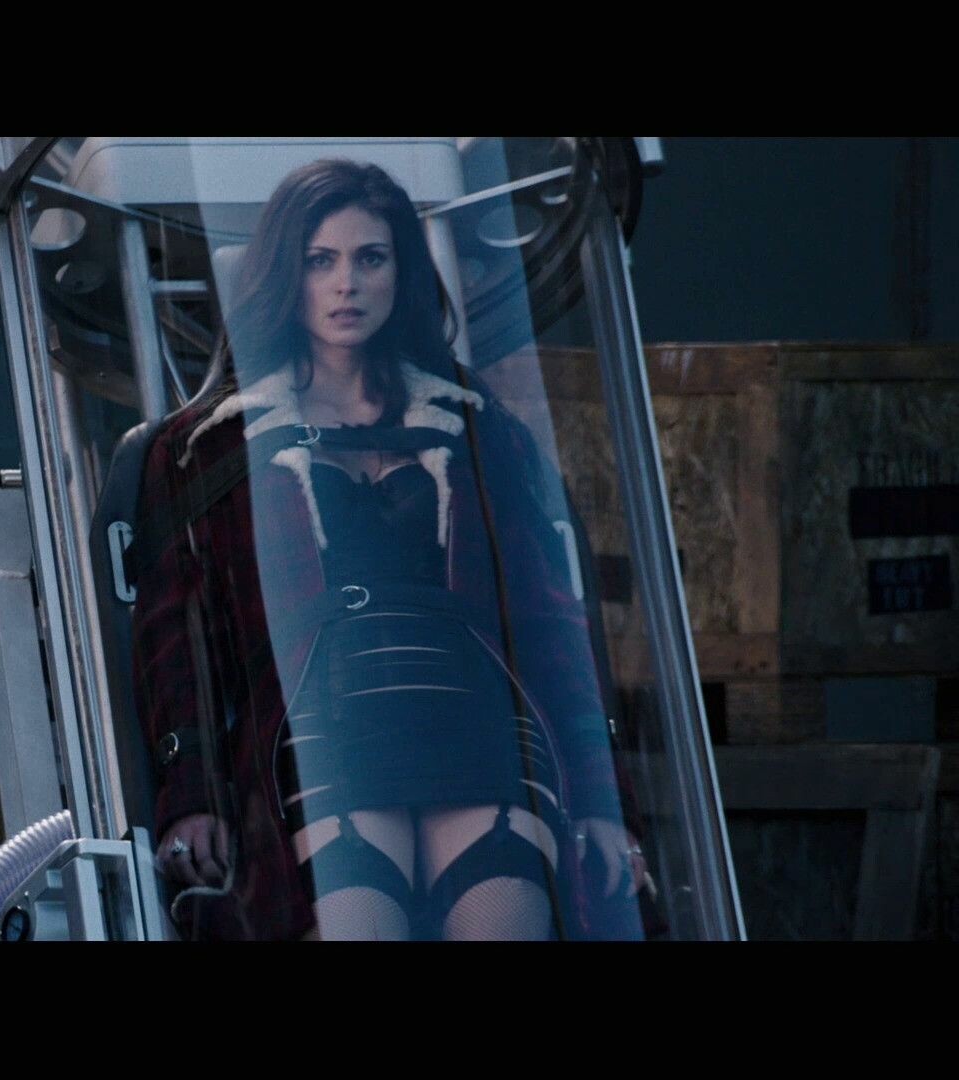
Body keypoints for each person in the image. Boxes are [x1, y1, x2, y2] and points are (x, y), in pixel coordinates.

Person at [129, 160, 648, 941]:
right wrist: (191, 795)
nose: (347, 284)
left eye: (370, 257)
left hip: (479, 723)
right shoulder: (208, 444)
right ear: (286, 273)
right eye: (321, 260)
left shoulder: (477, 424)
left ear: (402, 271)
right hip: (316, 730)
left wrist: (606, 804)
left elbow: (550, 625)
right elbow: (179, 638)